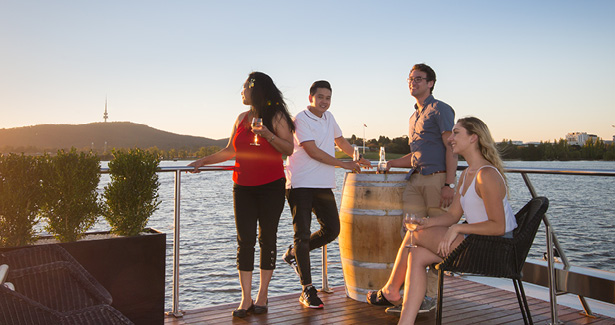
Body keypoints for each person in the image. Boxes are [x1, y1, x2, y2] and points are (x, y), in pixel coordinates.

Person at [188, 72, 294, 318]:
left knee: (267, 239)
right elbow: (229, 151)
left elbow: (288, 148)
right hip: (242, 187)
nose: (242, 91)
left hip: (271, 186)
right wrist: (203, 161)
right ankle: (245, 297)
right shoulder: (241, 118)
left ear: (255, 90)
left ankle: (262, 294)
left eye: (244, 87)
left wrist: (267, 134)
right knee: (244, 241)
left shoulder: (276, 116)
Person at [397, 116, 518, 324]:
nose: (450, 138)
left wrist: (456, 230)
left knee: (414, 235)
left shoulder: (485, 175)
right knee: (416, 253)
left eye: (456, 133)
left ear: (474, 138)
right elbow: (452, 215)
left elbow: (498, 226)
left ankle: (391, 289)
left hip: (495, 249)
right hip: (476, 241)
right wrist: (427, 222)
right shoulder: (468, 174)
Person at [366, 63, 457, 314]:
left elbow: (451, 147)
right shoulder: (413, 116)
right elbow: (417, 154)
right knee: (412, 234)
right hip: (415, 181)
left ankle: (427, 297)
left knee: (434, 239)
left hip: (437, 182)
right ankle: (409, 296)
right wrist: (391, 163)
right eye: (410, 79)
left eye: (419, 79)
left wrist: (449, 184)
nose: (413, 82)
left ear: (431, 83)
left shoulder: (441, 109)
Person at [283, 80, 371, 309]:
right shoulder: (300, 119)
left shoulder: (328, 118)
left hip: (322, 184)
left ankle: (294, 253)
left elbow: (340, 141)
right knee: (301, 235)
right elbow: (312, 151)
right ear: (310, 97)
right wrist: (344, 165)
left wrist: (356, 156)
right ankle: (307, 289)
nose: (324, 101)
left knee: (332, 230)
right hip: (300, 184)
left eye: (328, 98)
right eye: (320, 97)